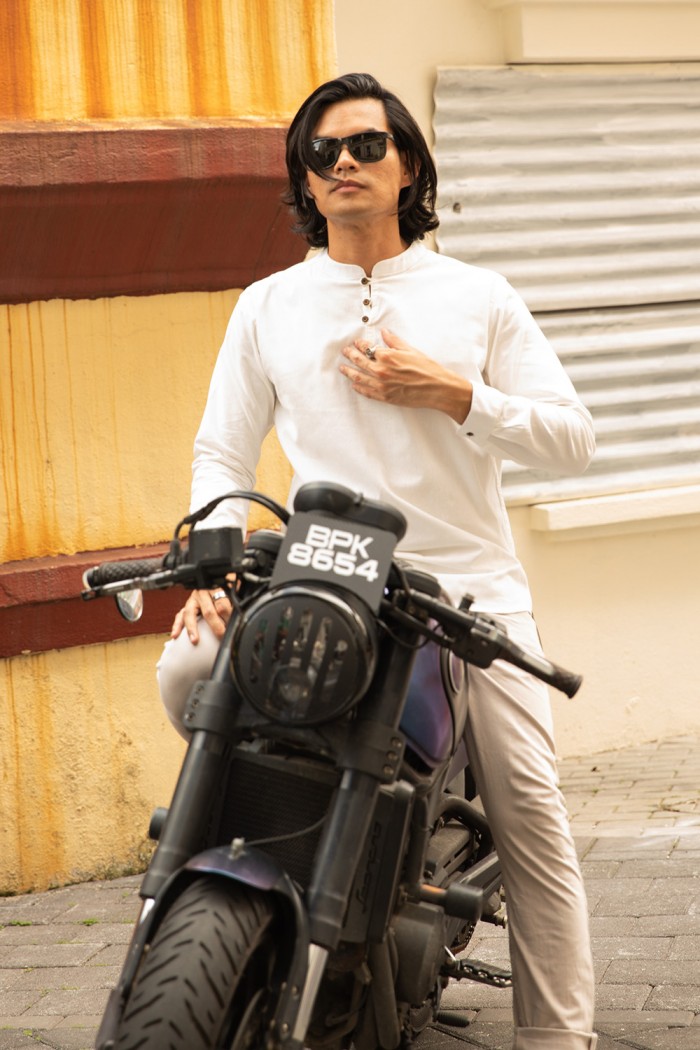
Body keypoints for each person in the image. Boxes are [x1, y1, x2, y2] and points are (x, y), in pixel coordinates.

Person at [158, 73, 597, 1050]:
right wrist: (212, 569)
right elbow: (222, 456)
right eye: (323, 153)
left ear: (407, 168)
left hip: (467, 590)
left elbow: (572, 439)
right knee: (186, 673)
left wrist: (455, 393)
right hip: (324, 575)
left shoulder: (477, 296)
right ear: (305, 181)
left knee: (529, 808)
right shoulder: (268, 305)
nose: (344, 163)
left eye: (366, 145)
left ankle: (558, 1037)